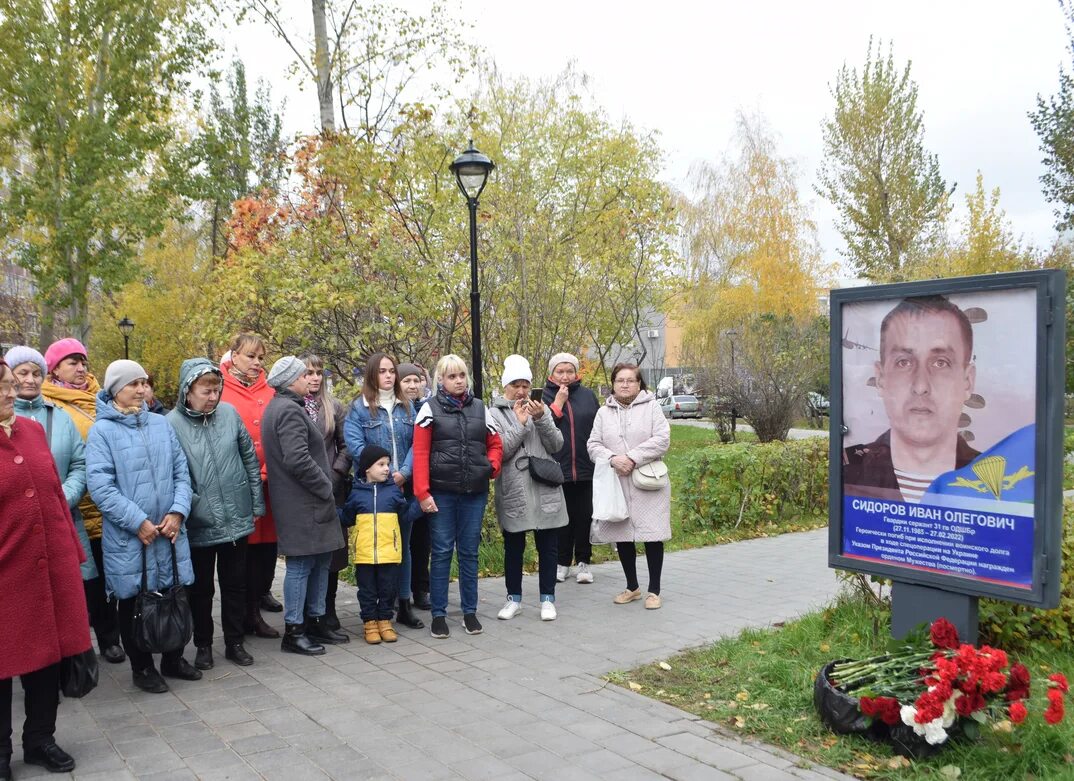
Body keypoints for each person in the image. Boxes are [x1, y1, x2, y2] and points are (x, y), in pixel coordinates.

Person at [1, 358, 92, 778]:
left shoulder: (33, 430)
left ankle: (40, 740)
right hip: (7, 573)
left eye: (6, 383)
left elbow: (56, 495)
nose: (6, 392)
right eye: (1, 385)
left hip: (51, 568)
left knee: (47, 660)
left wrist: (71, 555)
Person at [85, 360, 199, 693]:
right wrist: (138, 522)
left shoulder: (161, 425)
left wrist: (178, 512)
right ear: (114, 390)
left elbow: (182, 471)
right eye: (132, 384)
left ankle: (174, 659)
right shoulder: (102, 431)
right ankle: (142, 667)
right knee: (134, 599)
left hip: (169, 530)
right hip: (131, 536)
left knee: (176, 593)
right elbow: (101, 486)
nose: (140, 389)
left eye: (143, 382)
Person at [167, 359, 264, 670]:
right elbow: (171, 474)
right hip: (199, 521)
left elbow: (249, 460)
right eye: (206, 391)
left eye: (216, 390)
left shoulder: (229, 414)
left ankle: (235, 642)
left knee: (235, 584)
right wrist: (188, 506)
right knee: (201, 589)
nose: (213, 397)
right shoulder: (170, 424)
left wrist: (255, 503)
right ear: (187, 391)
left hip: (236, 515)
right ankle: (204, 644)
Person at [843, 295, 979, 502]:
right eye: (903, 362)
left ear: (967, 381)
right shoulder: (848, 470)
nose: (921, 386)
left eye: (940, 363)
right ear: (880, 379)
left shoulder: (1001, 480)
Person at [40, 338, 124, 665]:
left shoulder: (101, 399)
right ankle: (101, 637)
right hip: (76, 507)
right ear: (55, 368)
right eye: (72, 362)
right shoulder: (50, 404)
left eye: (83, 362)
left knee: (112, 571)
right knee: (89, 579)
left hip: (110, 504)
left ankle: (112, 633)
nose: (80, 368)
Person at [412, 354, 503, 639]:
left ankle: (470, 612)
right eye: (452, 376)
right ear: (441, 380)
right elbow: (420, 453)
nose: (458, 381)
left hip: (473, 493)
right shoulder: (428, 409)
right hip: (441, 494)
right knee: (440, 553)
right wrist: (422, 493)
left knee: (469, 554)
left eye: (462, 375)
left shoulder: (480, 407)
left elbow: (495, 443)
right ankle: (438, 614)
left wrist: (492, 466)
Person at [261, 356, 346, 655]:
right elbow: (297, 459)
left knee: (320, 560)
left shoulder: (284, 407)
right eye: (302, 375)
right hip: (303, 501)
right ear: (291, 380)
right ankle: (295, 630)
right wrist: (325, 485)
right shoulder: (287, 410)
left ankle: (314, 621)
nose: (308, 379)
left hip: (309, 501)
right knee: (300, 565)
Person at [343, 353, 423, 630]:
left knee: (403, 547)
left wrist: (404, 473)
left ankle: (404, 604)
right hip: (371, 490)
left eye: (392, 371)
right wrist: (382, 473)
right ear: (371, 376)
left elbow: (417, 444)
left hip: (402, 486)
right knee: (374, 549)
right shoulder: (359, 409)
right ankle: (374, 611)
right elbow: (355, 446)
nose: (389, 376)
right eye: (382, 371)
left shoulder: (408, 407)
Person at [5, 346, 96, 584]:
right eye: (22, 372)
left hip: (64, 519)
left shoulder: (61, 416)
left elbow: (80, 464)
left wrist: (63, 497)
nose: (30, 379)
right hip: (17, 529)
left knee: (72, 591)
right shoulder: (5, 418)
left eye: (36, 374)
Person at [489, 356, 567, 621]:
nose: (521, 391)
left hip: (544, 487)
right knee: (514, 547)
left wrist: (542, 418)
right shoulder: (494, 414)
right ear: (505, 387)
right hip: (514, 489)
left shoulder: (540, 409)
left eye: (525, 384)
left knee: (548, 546)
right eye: (515, 385)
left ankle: (548, 599)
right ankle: (514, 599)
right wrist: (520, 425)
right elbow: (502, 451)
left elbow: (556, 445)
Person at [588, 363, 671, 610]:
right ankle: (632, 586)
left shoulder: (652, 407)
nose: (625, 384)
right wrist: (614, 459)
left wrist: (632, 457)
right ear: (613, 384)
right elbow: (593, 444)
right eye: (620, 380)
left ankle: (654, 590)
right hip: (617, 481)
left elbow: (662, 439)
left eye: (630, 380)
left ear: (639, 384)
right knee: (622, 533)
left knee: (652, 535)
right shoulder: (604, 413)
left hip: (647, 480)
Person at [220, 333, 281, 639]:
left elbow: (279, 434)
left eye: (260, 358)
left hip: (269, 486)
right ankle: (238, 616)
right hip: (236, 487)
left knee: (265, 555)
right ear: (233, 356)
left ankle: (255, 611)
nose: (257, 363)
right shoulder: (219, 389)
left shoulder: (271, 391)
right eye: (250, 356)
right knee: (239, 557)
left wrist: (269, 469)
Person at [300, 354, 352, 632]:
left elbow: (346, 447)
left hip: (333, 489)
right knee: (308, 553)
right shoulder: (292, 406)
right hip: (302, 490)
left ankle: (328, 607)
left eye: (319, 372)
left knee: (333, 552)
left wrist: (334, 475)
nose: (315, 378)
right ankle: (307, 611)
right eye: (309, 372)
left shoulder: (333, 407)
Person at [542, 352, 600, 585]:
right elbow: (543, 426)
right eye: (560, 371)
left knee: (584, 516)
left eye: (569, 371)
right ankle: (562, 563)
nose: (565, 376)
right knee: (562, 519)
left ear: (576, 373)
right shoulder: (543, 396)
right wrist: (558, 403)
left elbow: (598, 426)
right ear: (551, 373)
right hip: (557, 467)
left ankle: (584, 562)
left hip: (586, 467)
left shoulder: (588, 396)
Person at [342, 445, 407, 644]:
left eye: (387, 464)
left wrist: (422, 507)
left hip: (390, 552)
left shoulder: (394, 492)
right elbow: (347, 518)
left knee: (388, 588)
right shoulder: (356, 493)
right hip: (365, 554)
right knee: (367, 590)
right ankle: (370, 623)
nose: (387, 468)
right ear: (367, 468)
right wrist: (329, 512)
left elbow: (405, 515)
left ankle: (385, 621)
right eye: (381, 464)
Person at [399, 362, 432, 610]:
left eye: (417, 380)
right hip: (399, 481)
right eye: (407, 381)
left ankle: (421, 589)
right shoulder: (396, 409)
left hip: (424, 482)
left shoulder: (428, 408)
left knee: (422, 541)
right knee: (401, 542)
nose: (413, 385)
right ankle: (399, 593)